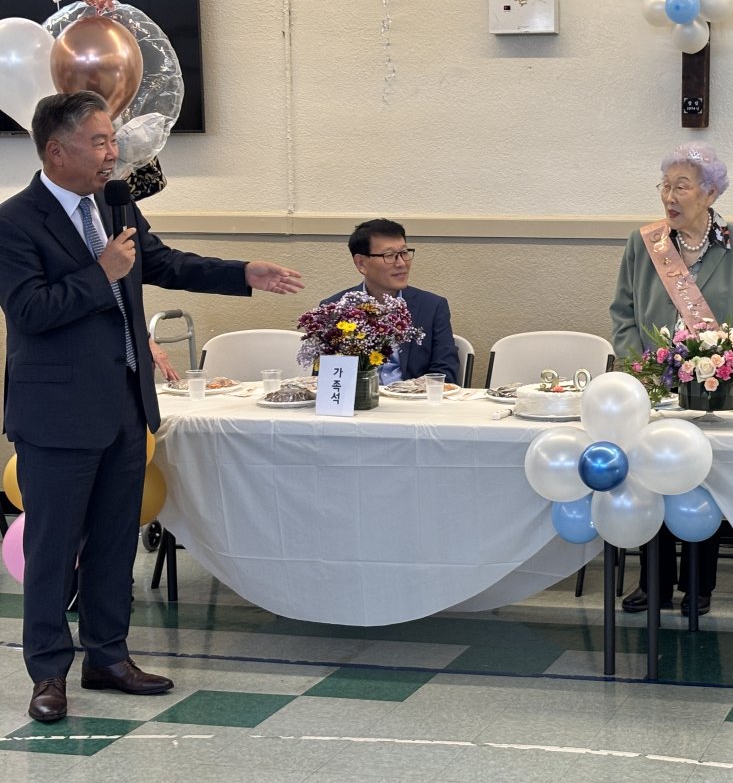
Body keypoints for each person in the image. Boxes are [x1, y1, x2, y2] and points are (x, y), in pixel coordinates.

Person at [0, 91, 305, 724]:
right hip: (57, 414)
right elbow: (30, 311)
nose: (113, 154)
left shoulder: (114, 203)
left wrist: (241, 273)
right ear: (56, 151)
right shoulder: (15, 221)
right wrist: (102, 273)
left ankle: (108, 657)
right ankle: (48, 673)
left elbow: (162, 261)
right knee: (53, 548)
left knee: (116, 539)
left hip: (124, 403)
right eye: (99, 142)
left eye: (113, 140)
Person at [610, 144, 733, 617]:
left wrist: (730, 367)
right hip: (654, 384)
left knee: (703, 478)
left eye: (681, 187)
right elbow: (623, 313)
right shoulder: (644, 243)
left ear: (711, 193)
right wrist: (640, 367)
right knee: (653, 474)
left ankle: (699, 584)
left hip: (715, 386)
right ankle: (654, 581)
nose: (669, 196)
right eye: (665, 186)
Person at [321, 218, 459, 385]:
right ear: (361, 263)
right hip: (359, 398)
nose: (401, 263)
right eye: (390, 256)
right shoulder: (335, 308)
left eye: (404, 253)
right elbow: (325, 377)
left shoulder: (432, 307)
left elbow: (445, 372)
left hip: (412, 398)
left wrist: (409, 391)